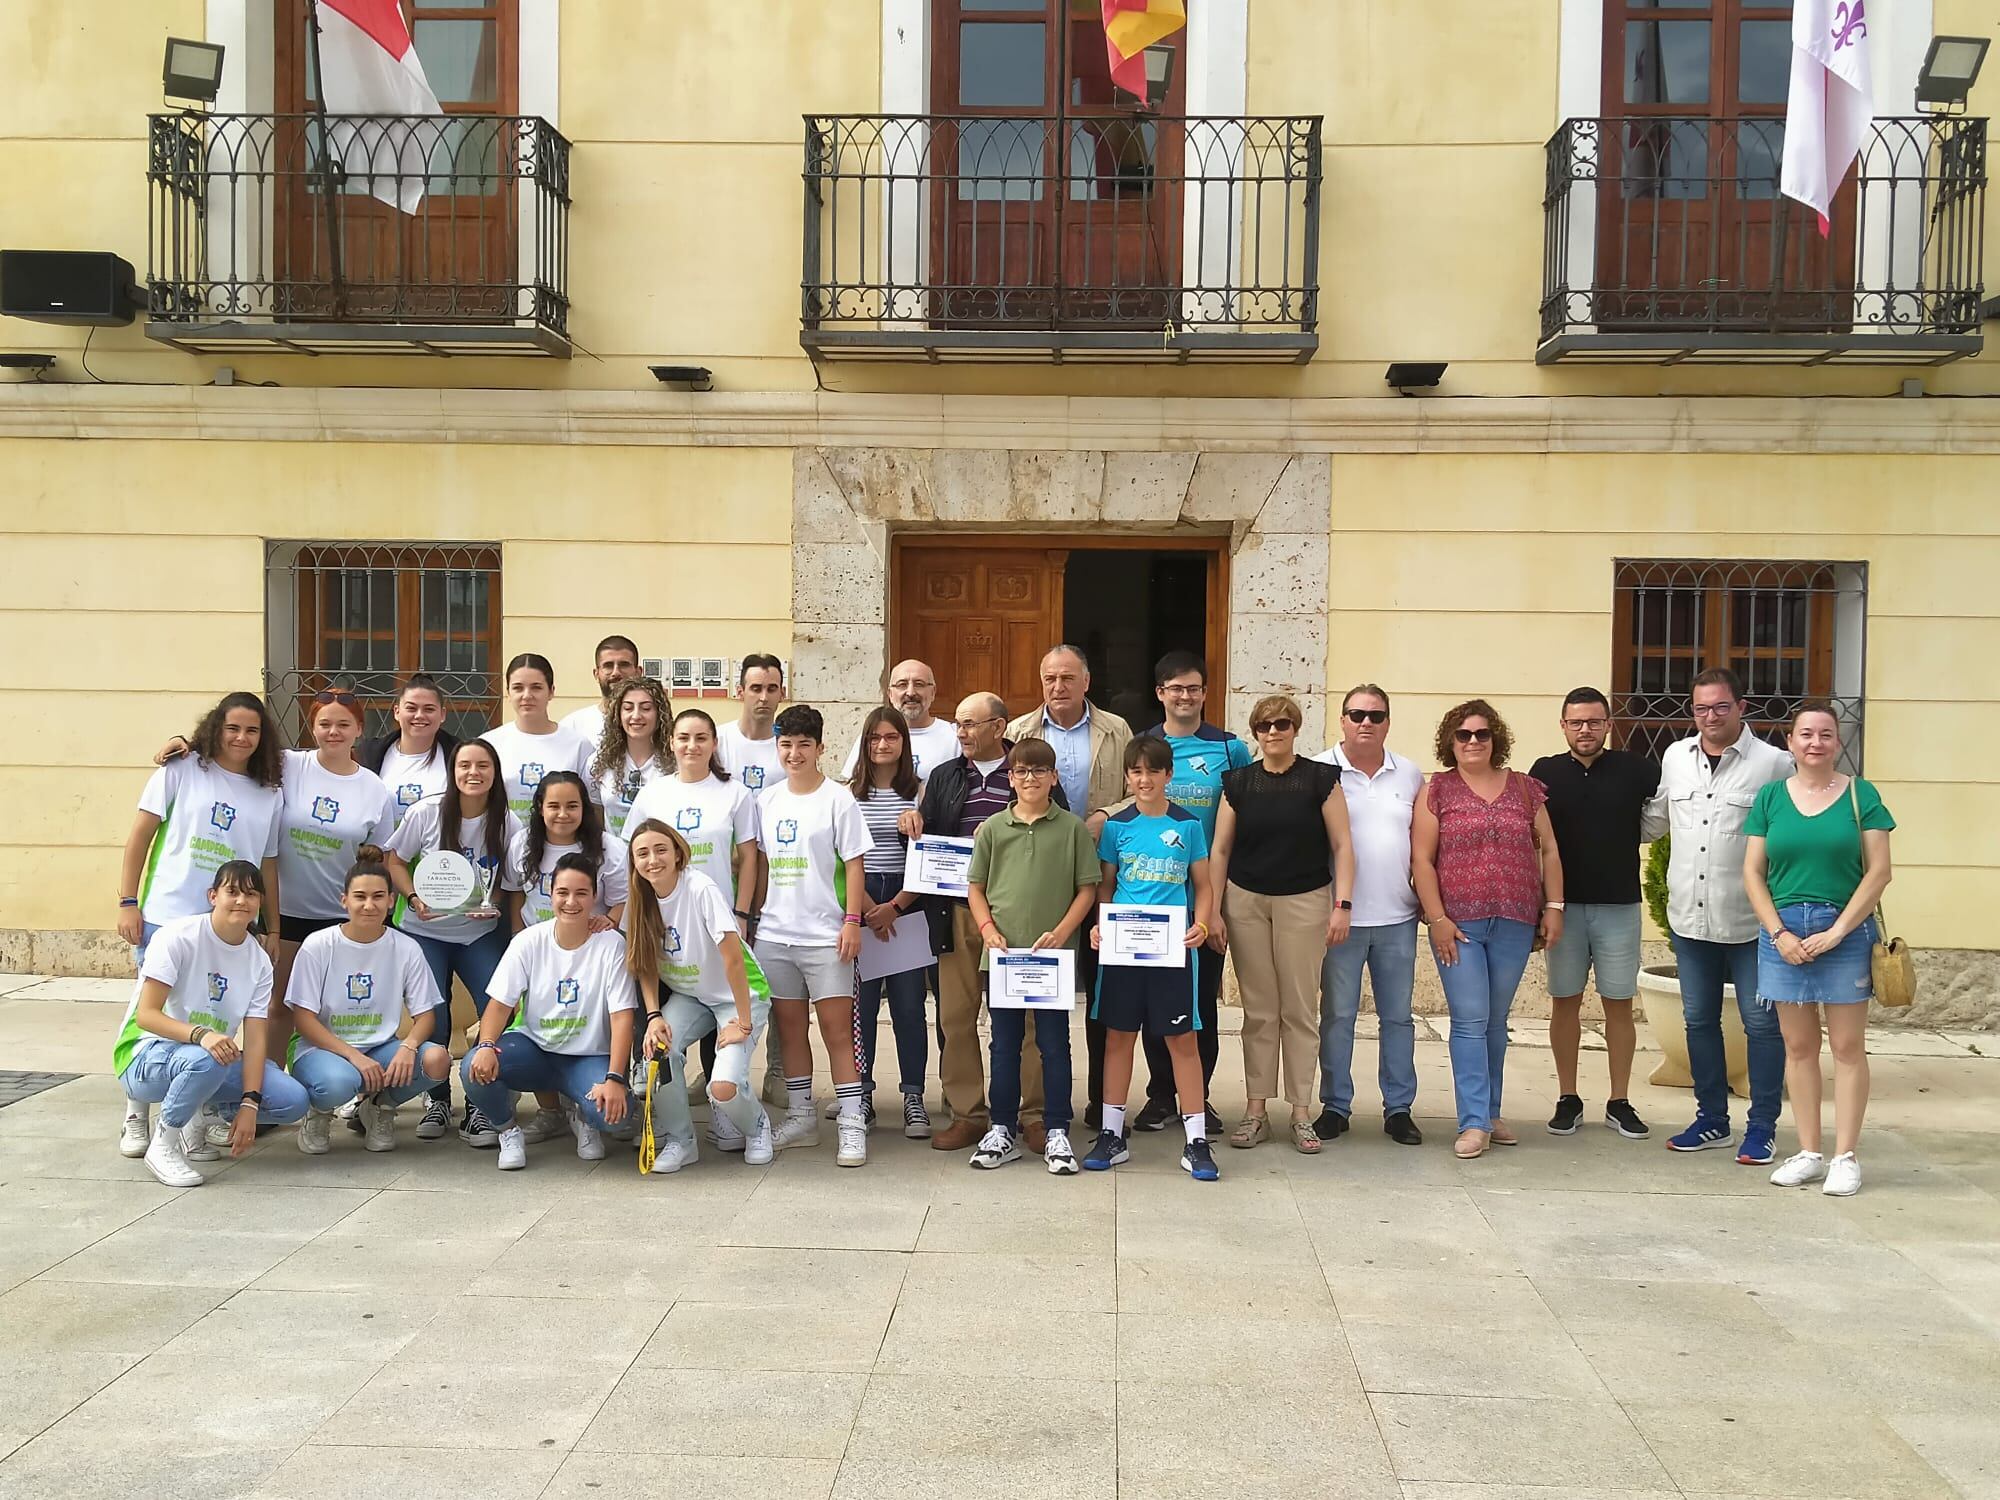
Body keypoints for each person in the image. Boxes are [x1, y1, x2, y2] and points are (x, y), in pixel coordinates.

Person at [117, 692, 286, 1157]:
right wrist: (128, 901)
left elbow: (267, 862)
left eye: (252, 730)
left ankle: (196, 1114)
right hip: (169, 915)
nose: (241, 738)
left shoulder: (270, 789)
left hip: (232, 923)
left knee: (213, 1013)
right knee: (152, 1017)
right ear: (216, 727)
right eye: (233, 728)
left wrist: (271, 926)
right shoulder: (181, 768)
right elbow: (139, 837)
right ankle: (136, 1115)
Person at [1641, 667, 1794, 1165]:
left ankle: (1762, 1128)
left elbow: (1797, 831)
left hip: (1753, 923)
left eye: (1720, 707)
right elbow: (1656, 819)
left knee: (1761, 1025)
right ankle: (1711, 1120)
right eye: (1701, 708)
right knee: (1698, 1020)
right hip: (1690, 919)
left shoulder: (1774, 764)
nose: (1710, 717)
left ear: (1741, 707)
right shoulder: (1675, 758)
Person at [1747, 703, 1895, 1197]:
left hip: (1845, 932)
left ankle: (1845, 1156)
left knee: (1848, 1048)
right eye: (1805, 734)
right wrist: (1779, 935)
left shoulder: (1861, 795)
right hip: (1783, 933)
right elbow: (1753, 873)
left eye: (1826, 734)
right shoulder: (1770, 798)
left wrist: (1838, 932)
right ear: (1790, 742)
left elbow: (1879, 872)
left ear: (1838, 742)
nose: (1815, 742)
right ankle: (1809, 1151)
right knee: (1799, 1047)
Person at [1412, 700, 1564, 1161]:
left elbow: (1551, 849)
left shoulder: (1524, 789)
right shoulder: (1437, 790)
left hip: (1515, 919)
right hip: (1459, 925)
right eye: (1463, 735)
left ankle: (1490, 1111)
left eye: (1481, 734)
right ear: (1450, 742)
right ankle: (1473, 1121)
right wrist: (1437, 919)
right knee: (1470, 1018)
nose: (1473, 741)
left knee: (1497, 1021)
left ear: (1495, 738)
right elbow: (1421, 858)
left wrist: (1553, 906)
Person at [907, 692, 1058, 1155]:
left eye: (972, 724)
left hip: (1018, 915)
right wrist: (914, 818)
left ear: (1000, 727)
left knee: (1028, 1018)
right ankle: (968, 1114)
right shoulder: (945, 776)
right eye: (958, 725)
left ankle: (1032, 1116)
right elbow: (929, 838)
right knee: (955, 1017)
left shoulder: (1030, 769)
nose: (963, 733)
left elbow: (1055, 829)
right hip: (957, 911)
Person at [1209, 694, 1354, 1154]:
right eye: (1266, 725)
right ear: (1255, 731)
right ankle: (1255, 1111)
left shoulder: (1320, 779)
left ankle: (1300, 1111)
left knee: (1298, 1009)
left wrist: (1342, 904)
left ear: (1296, 729)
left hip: (1305, 901)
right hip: (1246, 901)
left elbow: (1343, 844)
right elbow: (1220, 850)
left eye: (1283, 724)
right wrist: (1212, 910)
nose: (1274, 731)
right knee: (1259, 1010)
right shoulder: (1237, 782)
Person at [113, 861, 309, 1187]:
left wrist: (249, 1102)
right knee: (209, 1057)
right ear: (213, 895)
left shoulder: (258, 960)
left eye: (251, 894)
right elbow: (146, 1015)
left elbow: (257, 1038)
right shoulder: (177, 937)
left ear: (260, 903)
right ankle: (164, 1144)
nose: (241, 901)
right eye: (232, 891)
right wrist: (201, 1035)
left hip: (209, 1059)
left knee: (292, 1099)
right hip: (144, 1057)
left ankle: (197, 1114)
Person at [1006, 645, 1133, 1129]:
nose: (1057, 687)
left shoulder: (1115, 730)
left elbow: (1133, 789)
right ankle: (1033, 1109)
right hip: (1036, 868)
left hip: (1101, 871)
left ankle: (1103, 1103)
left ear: (1086, 682)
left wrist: (1105, 815)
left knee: (1101, 993)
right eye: (1049, 679)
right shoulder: (1019, 731)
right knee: (1035, 999)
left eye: (1067, 678)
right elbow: (1007, 795)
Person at [1529, 687, 1661, 1141]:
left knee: (1618, 1005)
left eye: (1594, 721)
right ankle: (1568, 1097)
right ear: (1563, 725)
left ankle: (1619, 1101)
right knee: (1564, 1002)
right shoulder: (1543, 773)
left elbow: (1676, 802)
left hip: (1619, 906)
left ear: (1608, 724)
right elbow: (1534, 841)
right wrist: (1542, 906)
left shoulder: (1636, 769)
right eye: (1576, 722)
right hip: (1563, 908)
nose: (1585, 729)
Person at [1085, 736, 1219, 1181]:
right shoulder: (1117, 827)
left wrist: (1200, 924)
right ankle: (1110, 1134)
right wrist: (1101, 924)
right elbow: (1105, 885)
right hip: (1124, 950)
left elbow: (1203, 886)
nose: (1145, 780)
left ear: (1168, 775)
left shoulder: (1188, 826)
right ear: (1128, 776)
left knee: (1183, 1042)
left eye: (1153, 771)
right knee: (1118, 1038)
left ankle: (1196, 1139)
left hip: (1173, 952)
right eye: (1136, 772)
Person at [1129, 651, 1249, 1137]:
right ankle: (1161, 1095)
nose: (1185, 696)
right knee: (1153, 1005)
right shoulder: (1144, 745)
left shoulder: (1230, 750)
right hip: (1152, 899)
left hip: (1206, 899)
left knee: (1201, 1002)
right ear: (1160, 693)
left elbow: (1236, 828)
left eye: (1193, 688)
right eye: (1175, 688)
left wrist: (1216, 907)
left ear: (1204, 692)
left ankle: (1198, 1098)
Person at [965, 738, 1098, 1174]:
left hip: (1051, 959)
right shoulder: (994, 829)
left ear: (1054, 777)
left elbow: (1087, 888)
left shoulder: (1072, 828)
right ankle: (1001, 1128)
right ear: (1010, 777)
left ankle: (1056, 1127)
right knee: (1003, 1045)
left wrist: (1062, 933)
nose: (1030, 779)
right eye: (1021, 771)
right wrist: (987, 930)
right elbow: (976, 888)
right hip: (1004, 957)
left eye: (1039, 771)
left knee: (1054, 1045)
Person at [385, 736, 520, 1146]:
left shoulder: (507, 821)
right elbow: (393, 859)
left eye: (482, 766)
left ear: (495, 774)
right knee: (435, 1018)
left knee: (496, 1010)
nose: (473, 773)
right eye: (464, 766)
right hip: (426, 930)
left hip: (478, 931)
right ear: (452, 771)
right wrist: (413, 896)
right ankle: (438, 1100)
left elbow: (511, 885)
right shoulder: (427, 812)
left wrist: (493, 905)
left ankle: (480, 1098)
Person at [460, 855, 635, 1170]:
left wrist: (615, 1078)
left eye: (581, 893)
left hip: (588, 1054)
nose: (571, 901)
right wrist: (486, 1045)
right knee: (474, 1066)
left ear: (594, 897)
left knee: (616, 1115)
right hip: (535, 1050)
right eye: (563, 892)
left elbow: (622, 1017)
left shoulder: (611, 945)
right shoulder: (529, 941)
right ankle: (508, 1131)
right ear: (551, 895)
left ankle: (582, 1116)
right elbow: (499, 1004)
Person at [753, 705, 873, 1165]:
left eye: (805, 744)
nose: (795, 753)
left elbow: (855, 863)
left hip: (827, 936)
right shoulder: (767, 801)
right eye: (786, 744)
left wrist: (852, 921)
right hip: (776, 935)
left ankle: (850, 1121)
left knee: (837, 1032)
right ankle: (802, 1116)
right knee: (789, 1030)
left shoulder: (838, 799)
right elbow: (760, 866)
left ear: (821, 748)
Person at [1310, 683, 1426, 1147]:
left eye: (1375, 716)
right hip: (1340, 920)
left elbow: (1424, 845)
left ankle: (1399, 1108)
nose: (1365, 723)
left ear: (1388, 722)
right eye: (1356, 714)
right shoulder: (1319, 771)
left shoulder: (1411, 775)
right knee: (1337, 1016)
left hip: (1398, 917)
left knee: (1397, 1018)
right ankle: (1335, 1105)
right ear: (1341, 719)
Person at [626, 819, 775, 1172]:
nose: (653, 860)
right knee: (656, 1057)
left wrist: (743, 1021)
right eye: (642, 853)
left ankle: (756, 1127)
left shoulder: (700, 888)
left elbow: (733, 958)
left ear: (678, 853)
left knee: (722, 1087)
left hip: (738, 995)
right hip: (692, 996)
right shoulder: (640, 897)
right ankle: (681, 1141)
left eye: (661, 849)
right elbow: (644, 965)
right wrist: (653, 1017)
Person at [287, 860, 451, 1154]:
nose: (368, 905)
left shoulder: (406, 947)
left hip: (379, 1048)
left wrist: (409, 1046)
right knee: (340, 1083)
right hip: (321, 1049)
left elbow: (426, 1015)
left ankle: (379, 1108)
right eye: (360, 897)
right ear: (344, 900)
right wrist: (353, 1056)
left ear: (391, 901)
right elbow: (303, 1019)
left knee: (437, 1059)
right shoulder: (318, 945)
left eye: (378, 897)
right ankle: (318, 1113)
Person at [270, 689, 397, 1068]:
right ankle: (270, 1090)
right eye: (324, 723)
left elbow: (377, 860)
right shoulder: (288, 765)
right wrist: (184, 745)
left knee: (338, 1009)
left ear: (359, 728)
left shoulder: (374, 789)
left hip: (342, 919)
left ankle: (342, 1089)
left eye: (343, 724)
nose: (333, 732)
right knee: (278, 1006)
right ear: (312, 727)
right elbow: (233, 754)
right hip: (287, 914)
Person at [847, 706, 932, 1138]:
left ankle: (913, 1095)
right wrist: (865, 907)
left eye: (892, 737)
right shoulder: (847, 794)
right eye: (875, 737)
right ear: (865, 743)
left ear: (904, 742)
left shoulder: (920, 791)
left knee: (909, 1007)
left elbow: (930, 862)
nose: (883, 745)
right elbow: (840, 859)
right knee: (858, 1008)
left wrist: (895, 906)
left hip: (905, 903)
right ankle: (861, 1093)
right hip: (859, 902)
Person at [505, 771, 629, 931]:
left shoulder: (610, 848)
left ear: (583, 808)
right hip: (536, 943)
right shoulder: (521, 843)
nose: (563, 814)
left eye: (572, 806)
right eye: (554, 806)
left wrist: (610, 921)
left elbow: (621, 901)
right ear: (541, 808)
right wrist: (518, 934)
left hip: (590, 941)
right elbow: (515, 891)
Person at [487, 653, 597, 823]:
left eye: (536, 687)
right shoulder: (491, 744)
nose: (527, 695)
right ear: (507, 692)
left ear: (551, 691)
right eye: (518, 688)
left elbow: (593, 805)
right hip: (504, 844)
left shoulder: (578, 745)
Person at [359, 674, 460, 829]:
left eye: (429, 709)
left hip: (438, 852)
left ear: (442, 714)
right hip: (382, 851)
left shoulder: (459, 755)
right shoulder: (370, 754)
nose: (419, 715)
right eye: (411, 708)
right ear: (397, 712)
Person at [840, 659, 960, 779]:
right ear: (890, 694)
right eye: (902, 685)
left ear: (933, 692)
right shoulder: (872, 736)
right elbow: (853, 785)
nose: (911, 692)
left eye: (919, 684)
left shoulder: (954, 737)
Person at [591, 675, 672, 838]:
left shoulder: (675, 763)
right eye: (628, 708)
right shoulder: (599, 762)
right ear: (618, 715)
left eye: (646, 708)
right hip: (614, 859)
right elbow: (595, 815)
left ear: (659, 715)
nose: (636, 716)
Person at [717, 653, 786, 794]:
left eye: (772, 689)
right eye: (756, 689)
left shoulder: (792, 746)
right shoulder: (717, 741)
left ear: (782, 693)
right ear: (740, 692)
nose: (764, 697)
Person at [558, 634, 643, 747]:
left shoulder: (651, 725)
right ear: (596, 674)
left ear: (638, 672)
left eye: (624, 665)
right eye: (608, 666)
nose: (616, 672)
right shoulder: (572, 727)